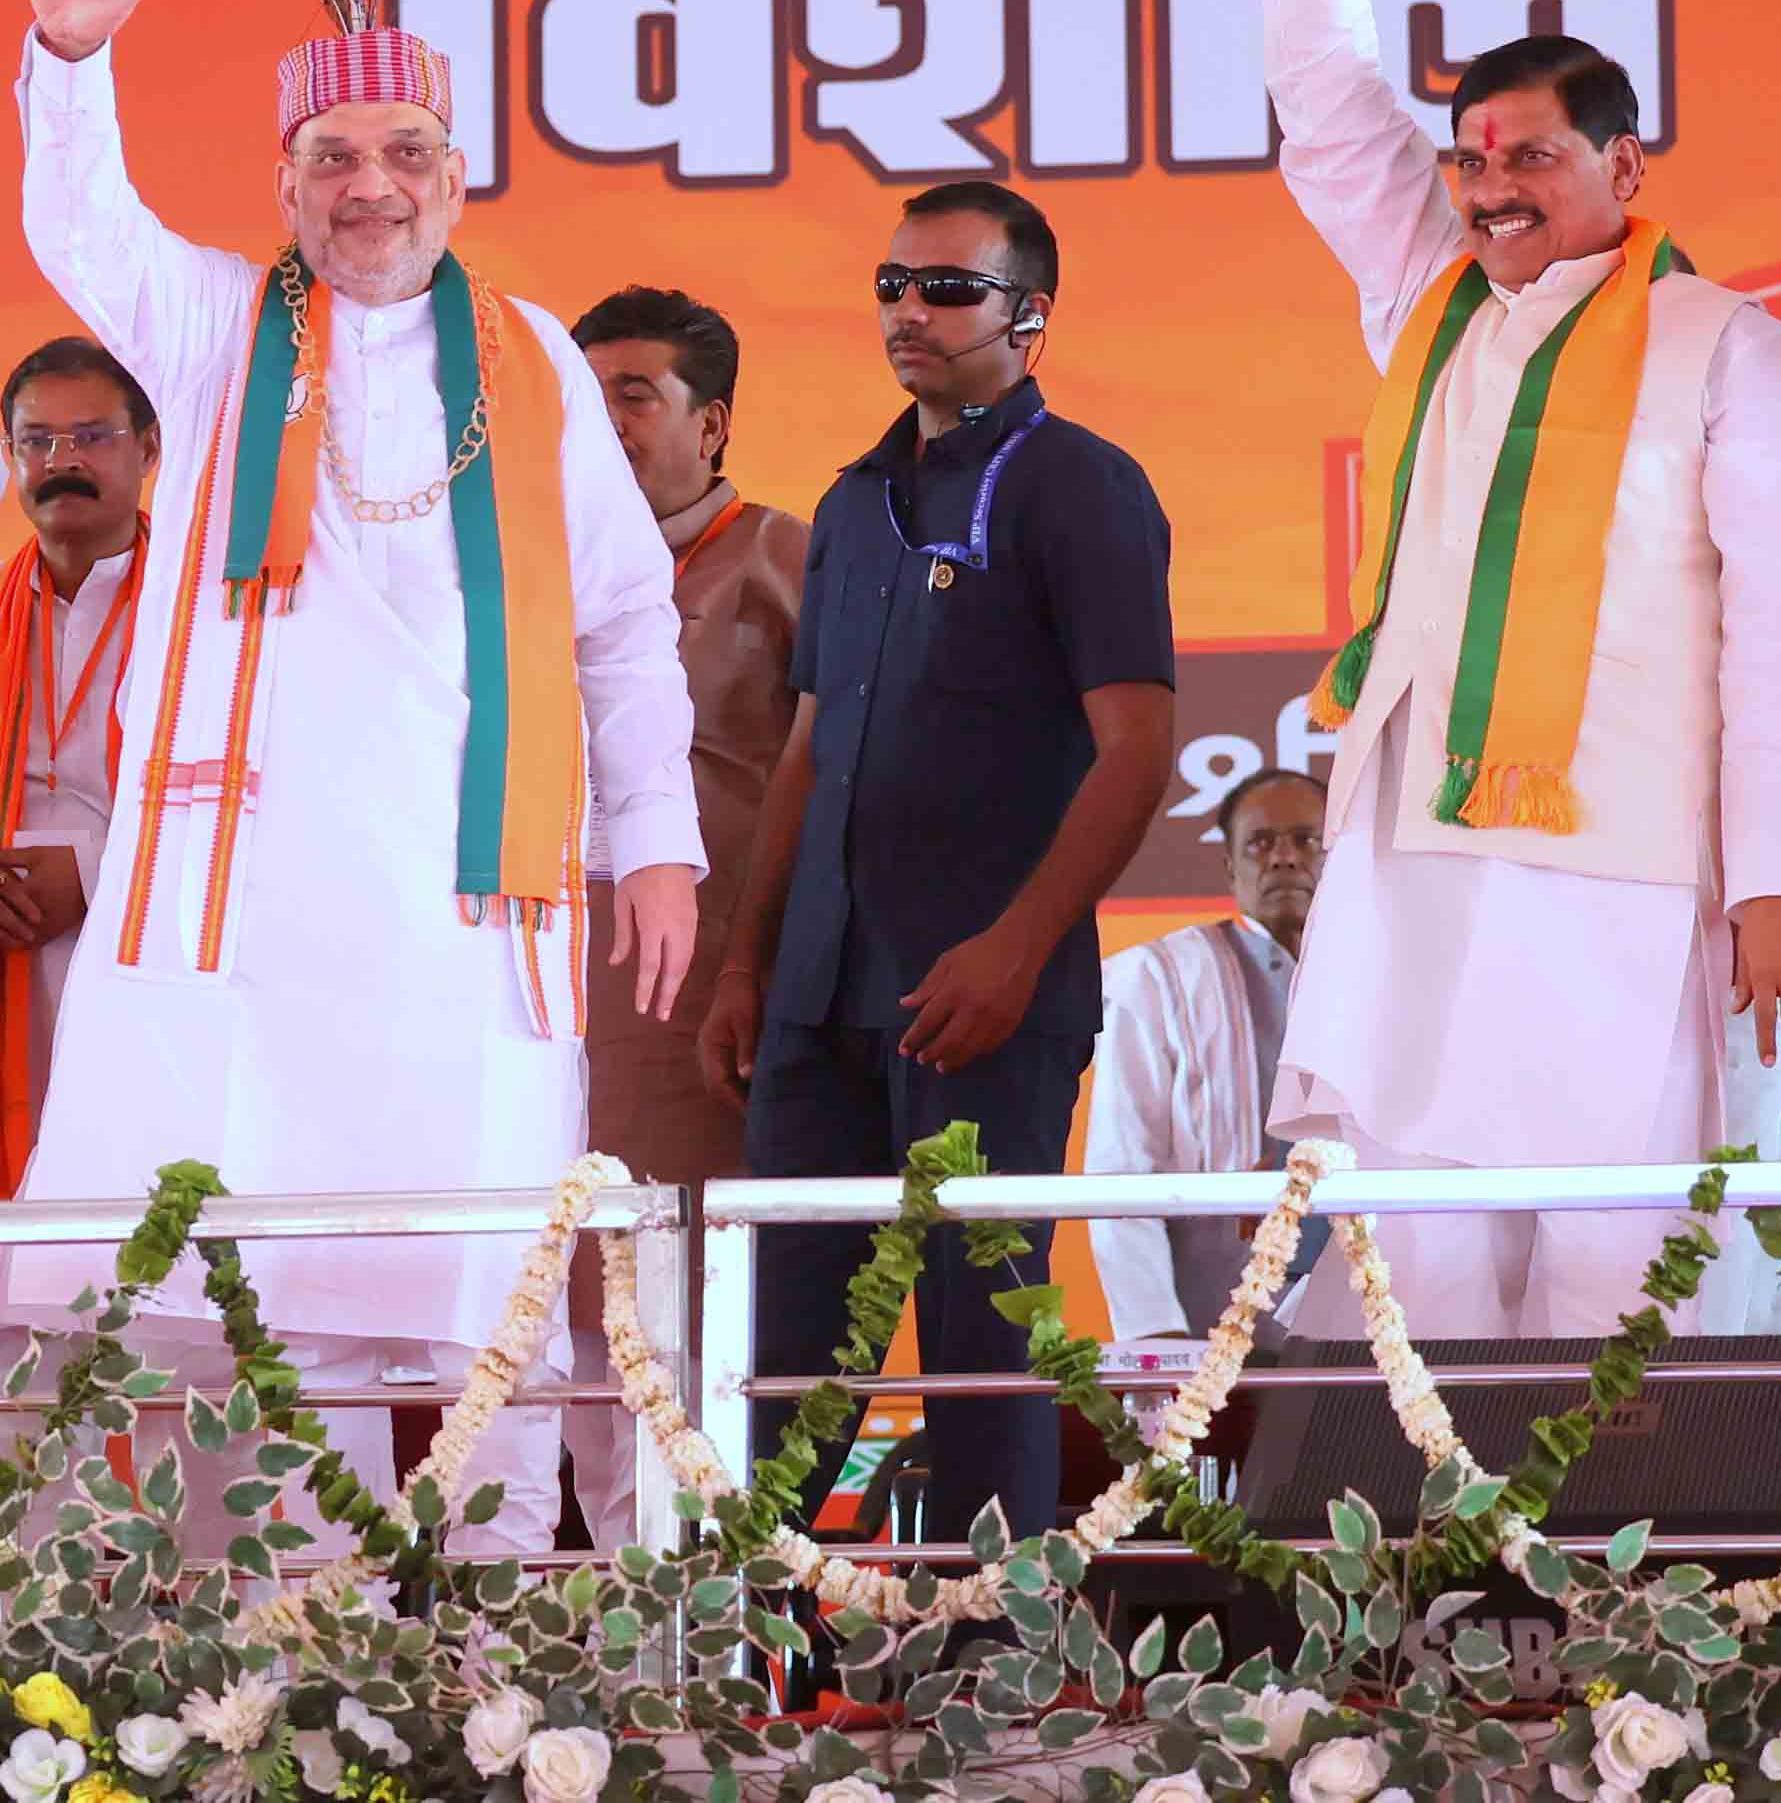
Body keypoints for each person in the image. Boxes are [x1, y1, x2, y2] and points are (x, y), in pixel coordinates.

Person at [0, 0, 701, 1555]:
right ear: (286, 187)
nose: (367, 188)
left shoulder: (529, 360)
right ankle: (286, 1683)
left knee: (495, 1311)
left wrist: (656, 848)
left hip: (466, 914)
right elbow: (78, 228)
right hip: (257, 916)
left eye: (401, 156)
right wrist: (68, 58)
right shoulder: (219, 326)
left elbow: (618, 622)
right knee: (269, 1317)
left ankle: (513, 1671)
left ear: (455, 179)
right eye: (332, 159)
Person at [1254, 0, 1781, 1343]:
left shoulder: (1735, 352)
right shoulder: (1426, 296)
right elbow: (1321, 90)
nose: (1489, 183)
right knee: (1416, 1261)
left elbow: (1777, 657)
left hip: (1631, 868)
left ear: (1624, 163)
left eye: (1532, 155)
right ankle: (1431, 1603)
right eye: (1469, 155)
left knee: (1618, 1268)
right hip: (1416, 844)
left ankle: (1621, 1610)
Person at [700, 180, 1176, 1546]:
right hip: (817, 997)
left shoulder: (1083, 484)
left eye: (948, 289)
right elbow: (805, 749)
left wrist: (1018, 948)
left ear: (1031, 316)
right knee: (784, 1361)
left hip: (983, 997)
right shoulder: (852, 504)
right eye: (893, 287)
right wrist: (748, 964)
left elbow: (1137, 748)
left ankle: (1004, 1672)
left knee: (983, 1349)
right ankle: (761, 1663)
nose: (910, 312)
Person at [559, 282, 807, 1546]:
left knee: (683, 1322)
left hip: (699, 1001)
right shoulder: (518, 569)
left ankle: (697, 1635)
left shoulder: (782, 561)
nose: (602, 424)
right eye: (584, 395)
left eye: (634, 396)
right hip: (543, 996)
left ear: (711, 426)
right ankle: (585, 1624)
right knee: (549, 1319)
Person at [0, 335, 155, 1201]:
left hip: (147, 955)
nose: (62, 460)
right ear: (8, 456)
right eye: (38, 440)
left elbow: (262, 806)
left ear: (150, 447)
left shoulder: (209, 620)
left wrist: (97, 879)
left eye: (92, 437)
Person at [1084, 768, 1328, 1344]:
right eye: (1261, 843)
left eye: (1306, 841)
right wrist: (1154, 1333)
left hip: (1369, 1325)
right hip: (1206, 1332)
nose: (1285, 859)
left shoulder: (1384, 980)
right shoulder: (1160, 977)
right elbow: (1122, 1170)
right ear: (1230, 868)